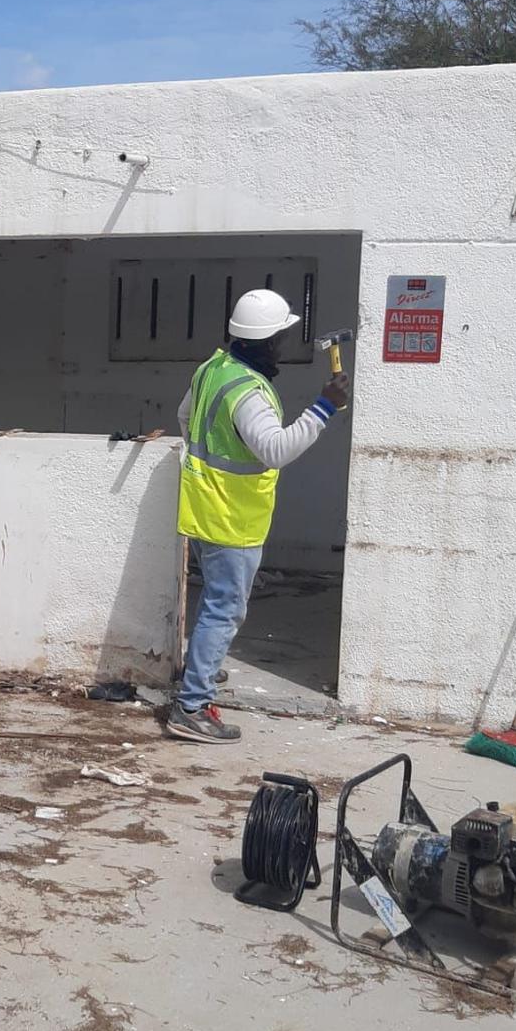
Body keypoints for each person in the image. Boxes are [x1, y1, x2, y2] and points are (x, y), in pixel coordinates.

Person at [166, 288, 350, 744]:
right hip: (233, 515)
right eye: (280, 337)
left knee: (215, 601)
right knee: (225, 608)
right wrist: (324, 405)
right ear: (264, 341)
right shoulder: (248, 391)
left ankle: (201, 672)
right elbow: (274, 448)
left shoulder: (214, 368)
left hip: (207, 504)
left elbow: (184, 416)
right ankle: (192, 705)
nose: (283, 346)